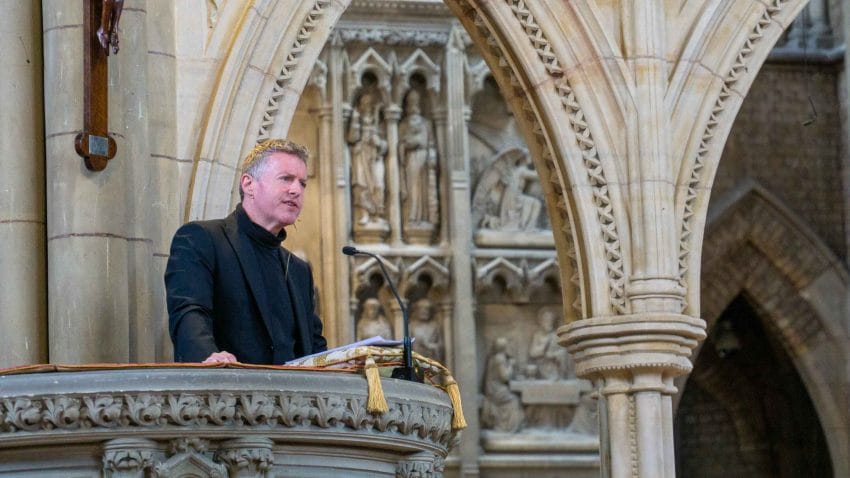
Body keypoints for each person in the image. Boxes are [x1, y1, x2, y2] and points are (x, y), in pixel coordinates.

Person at [165, 139, 327, 364]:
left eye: (302, 183)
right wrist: (207, 356)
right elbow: (189, 312)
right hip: (227, 390)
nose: (296, 190)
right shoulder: (202, 239)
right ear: (249, 184)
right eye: (286, 179)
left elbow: (315, 347)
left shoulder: (299, 270)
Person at [398, 90, 438, 226]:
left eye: (415, 101)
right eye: (410, 102)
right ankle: (412, 216)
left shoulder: (426, 123)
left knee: (424, 188)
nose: (413, 105)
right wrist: (409, 144)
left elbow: (431, 142)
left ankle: (425, 217)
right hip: (411, 158)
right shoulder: (403, 125)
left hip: (424, 158)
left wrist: (432, 155)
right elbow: (400, 145)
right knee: (412, 187)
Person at [347, 91, 387, 225]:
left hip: (375, 157)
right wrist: (355, 119)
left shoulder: (379, 124)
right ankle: (364, 213)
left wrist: (379, 143)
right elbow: (352, 138)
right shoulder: (357, 120)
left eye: (369, 104)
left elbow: (387, 144)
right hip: (361, 155)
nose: (367, 106)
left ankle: (377, 214)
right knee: (361, 185)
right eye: (364, 104)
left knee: (378, 185)